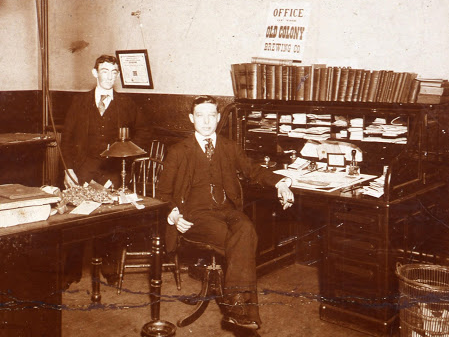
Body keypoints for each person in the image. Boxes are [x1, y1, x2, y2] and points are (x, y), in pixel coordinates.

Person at [156, 95, 294, 333]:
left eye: (212, 116)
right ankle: (240, 310)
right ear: (191, 119)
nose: (207, 122)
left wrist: (281, 183)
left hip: (227, 210)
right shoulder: (179, 151)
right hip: (194, 215)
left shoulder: (229, 147)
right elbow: (162, 194)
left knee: (246, 229)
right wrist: (175, 216)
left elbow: (253, 170)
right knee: (240, 241)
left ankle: (235, 305)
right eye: (200, 116)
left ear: (219, 118)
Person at [60, 54, 150, 286]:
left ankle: (109, 268)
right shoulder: (79, 102)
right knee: (77, 220)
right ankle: (72, 270)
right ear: (95, 73)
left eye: (114, 72)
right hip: (81, 169)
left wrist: (125, 163)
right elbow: (67, 139)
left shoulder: (126, 105)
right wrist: (68, 169)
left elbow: (144, 133)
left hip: (112, 171)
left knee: (110, 222)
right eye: (105, 71)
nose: (110, 76)